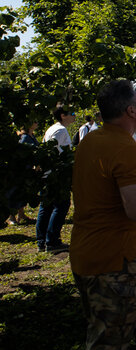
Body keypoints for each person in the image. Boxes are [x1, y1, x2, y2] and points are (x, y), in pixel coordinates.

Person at [70, 79, 136, 350]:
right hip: (113, 260)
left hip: (85, 251)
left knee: (97, 332)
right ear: (130, 111)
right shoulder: (125, 149)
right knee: (110, 344)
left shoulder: (91, 141)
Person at [37, 106, 76, 253]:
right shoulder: (60, 130)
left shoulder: (53, 129)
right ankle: (52, 241)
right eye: (72, 113)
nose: (74, 116)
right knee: (61, 205)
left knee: (46, 207)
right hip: (56, 175)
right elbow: (53, 153)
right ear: (62, 115)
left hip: (49, 174)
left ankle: (42, 241)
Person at [7, 122, 39, 226]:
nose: (37, 123)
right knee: (15, 193)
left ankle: (21, 214)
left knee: (23, 193)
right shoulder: (24, 138)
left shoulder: (32, 136)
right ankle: (11, 216)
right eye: (34, 122)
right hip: (20, 170)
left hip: (28, 169)